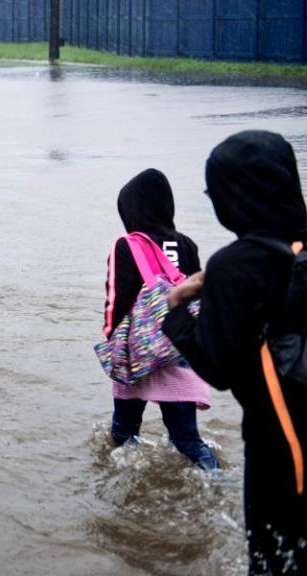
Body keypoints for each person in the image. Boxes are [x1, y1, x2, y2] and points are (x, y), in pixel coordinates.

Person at [162, 131, 306, 574]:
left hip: (279, 443)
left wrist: (177, 309)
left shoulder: (234, 264)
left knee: (272, 558)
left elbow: (218, 367)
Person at [102, 168, 219, 470]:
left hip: (138, 353)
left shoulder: (125, 245)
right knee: (187, 441)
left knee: (124, 433)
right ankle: (216, 481)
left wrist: (111, 338)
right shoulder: (187, 243)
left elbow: (117, 297)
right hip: (178, 348)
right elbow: (197, 296)